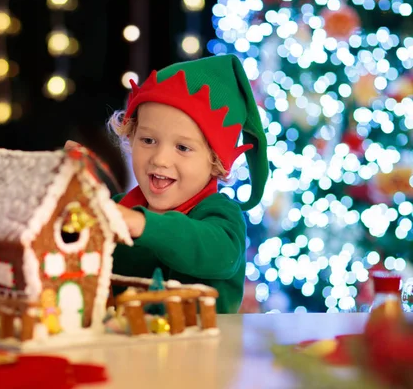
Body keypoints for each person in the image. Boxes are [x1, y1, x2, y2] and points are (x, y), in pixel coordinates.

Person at [66, 54, 268, 313]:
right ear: (131, 136)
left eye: (183, 147)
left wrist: (140, 223)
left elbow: (218, 252)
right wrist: (72, 190)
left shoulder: (220, 215)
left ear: (215, 161)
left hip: (200, 352)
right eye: (148, 140)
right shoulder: (119, 208)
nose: (160, 159)